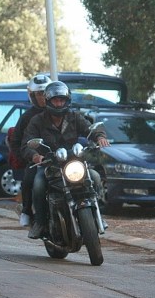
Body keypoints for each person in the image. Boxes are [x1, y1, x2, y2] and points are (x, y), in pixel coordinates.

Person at [22, 81, 110, 239]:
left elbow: (90, 128)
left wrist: (100, 137)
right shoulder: (37, 120)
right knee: (38, 184)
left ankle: (98, 215)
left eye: (61, 100)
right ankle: (40, 223)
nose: (59, 103)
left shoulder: (74, 117)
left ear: (67, 100)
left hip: (73, 163)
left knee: (95, 178)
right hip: (50, 164)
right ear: (49, 101)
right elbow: (26, 144)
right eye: (55, 100)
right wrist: (36, 156)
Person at [10, 74, 52, 227]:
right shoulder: (27, 117)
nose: (42, 97)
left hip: (60, 157)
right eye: (39, 94)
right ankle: (27, 211)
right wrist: (27, 157)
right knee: (29, 180)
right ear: (32, 95)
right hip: (37, 160)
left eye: (45, 93)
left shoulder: (61, 111)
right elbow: (16, 141)